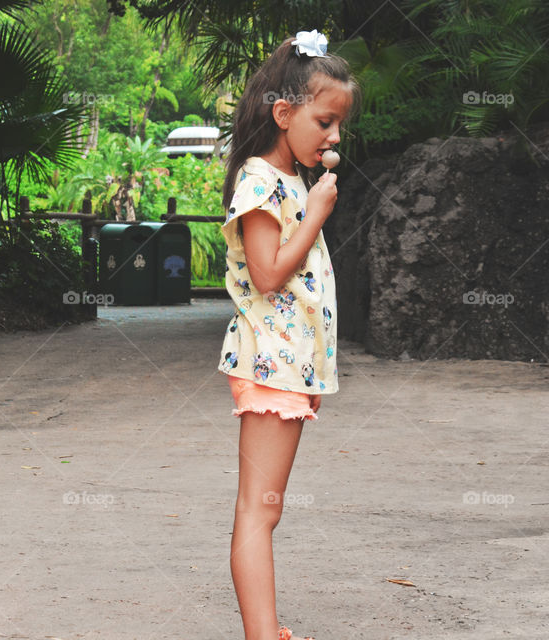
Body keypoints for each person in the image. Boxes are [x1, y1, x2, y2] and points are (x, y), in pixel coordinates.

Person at [216, 30, 361, 640]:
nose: (333, 138)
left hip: (287, 369)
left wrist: (312, 376)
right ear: (283, 113)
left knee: (263, 510)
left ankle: (265, 630)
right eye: (324, 121)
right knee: (259, 510)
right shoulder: (261, 182)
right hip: (268, 367)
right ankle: (262, 634)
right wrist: (318, 214)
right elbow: (271, 275)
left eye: (338, 127)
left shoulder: (291, 182)